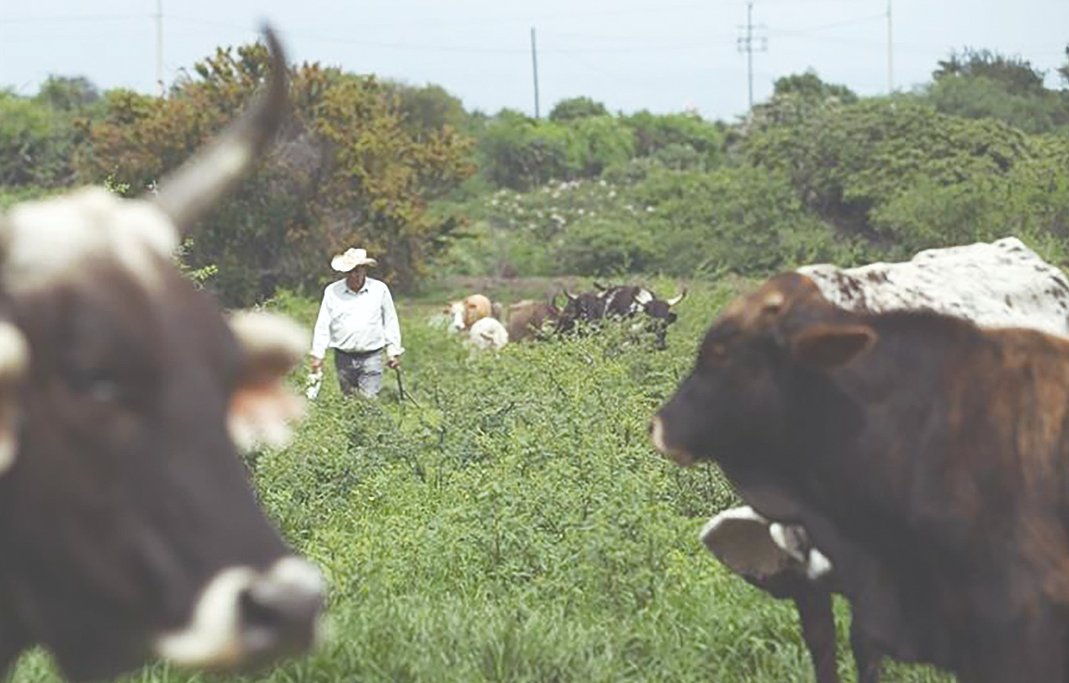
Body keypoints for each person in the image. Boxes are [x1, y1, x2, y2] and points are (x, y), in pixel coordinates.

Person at [309, 247, 403, 398]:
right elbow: (323, 325)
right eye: (350, 272)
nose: (354, 275)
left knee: (369, 399)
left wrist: (393, 352)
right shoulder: (332, 291)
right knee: (349, 399)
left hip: (372, 355)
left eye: (357, 271)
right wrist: (318, 355)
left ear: (364, 270)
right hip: (343, 357)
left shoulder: (379, 289)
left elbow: (390, 321)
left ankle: (368, 413)